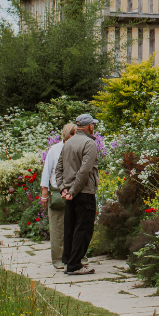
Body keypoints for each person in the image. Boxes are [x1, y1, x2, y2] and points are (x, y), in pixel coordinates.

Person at [56, 113, 100, 275]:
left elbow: (58, 168)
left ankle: (69, 260)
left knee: (71, 227)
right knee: (84, 228)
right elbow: (84, 171)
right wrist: (73, 191)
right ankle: (75, 265)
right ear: (89, 126)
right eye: (93, 125)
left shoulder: (68, 143)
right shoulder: (89, 144)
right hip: (84, 192)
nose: (93, 127)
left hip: (69, 193)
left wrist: (63, 189)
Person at [40, 123, 75, 269]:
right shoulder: (54, 150)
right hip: (57, 193)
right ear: (67, 134)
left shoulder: (78, 148)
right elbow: (46, 172)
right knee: (57, 228)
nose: (75, 136)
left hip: (74, 192)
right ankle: (58, 259)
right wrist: (44, 194)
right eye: (72, 133)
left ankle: (76, 257)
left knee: (75, 227)